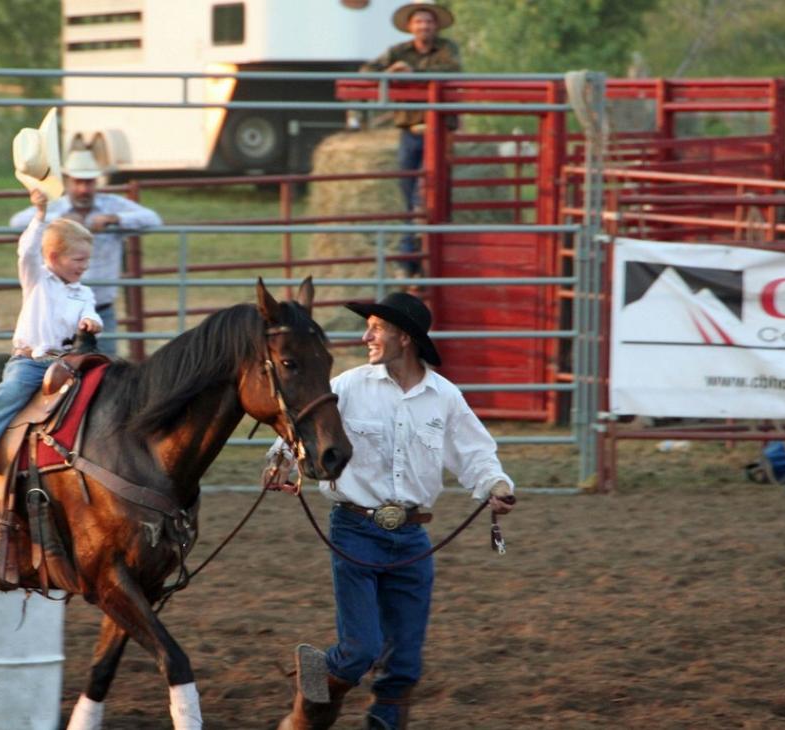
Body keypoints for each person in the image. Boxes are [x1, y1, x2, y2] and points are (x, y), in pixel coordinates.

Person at [266, 291, 516, 730]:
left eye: (376, 328)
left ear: (404, 338)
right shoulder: (347, 386)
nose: (366, 336)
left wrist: (495, 484)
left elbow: (474, 452)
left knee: (404, 664)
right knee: (360, 650)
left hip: (413, 537)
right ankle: (314, 695)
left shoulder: (445, 397)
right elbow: (303, 428)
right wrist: (279, 463)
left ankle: (376, 717)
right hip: (354, 529)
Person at [0, 189, 103, 473]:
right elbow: (28, 250)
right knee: (12, 392)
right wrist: (40, 216)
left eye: (86, 260)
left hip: (67, 363)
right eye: (78, 260)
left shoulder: (84, 293)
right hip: (31, 362)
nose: (85, 266)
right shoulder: (37, 279)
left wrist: (92, 323)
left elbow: (90, 311)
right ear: (54, 257)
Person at [9, 147, 161, 356]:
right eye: (78, 181)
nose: (83, 188)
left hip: (97, 307)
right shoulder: (57, 207)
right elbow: (17, 222)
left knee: (104, 367)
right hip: (57, 308)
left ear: (96, 183)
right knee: (55, 365)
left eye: (89, 182)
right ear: (68, 181)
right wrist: (61, 225)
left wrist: (116, 219)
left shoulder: (112, 205)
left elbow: (153, 219)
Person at [360, 3, 462, 278]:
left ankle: (418, 255)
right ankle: (412, 255)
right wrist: (389, 73)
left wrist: (412, 75)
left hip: (437, 131)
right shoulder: (398, 52)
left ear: (436, 26)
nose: (424, 27)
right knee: (409, 193)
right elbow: (367, 71)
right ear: (410, 27)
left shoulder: (446, 49)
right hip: (411, 130)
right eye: (419, 22)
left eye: (428, 22)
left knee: (429, 193)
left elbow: (452, 72)